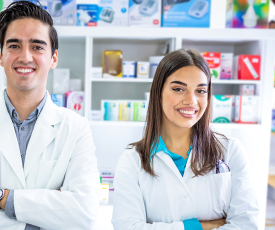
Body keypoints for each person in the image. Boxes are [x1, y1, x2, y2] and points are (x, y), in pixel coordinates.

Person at [0, 1, 100, 229]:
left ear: (53, 58)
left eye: (37, 46)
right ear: (1, 56)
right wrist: (40, 222)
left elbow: (86, 214)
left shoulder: (76, 128)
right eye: (14, 46)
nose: (25, 57)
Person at [111, 49, 259, 230]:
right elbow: (127, 227)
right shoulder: (133, 160)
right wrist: (196, 226)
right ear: (158, 92)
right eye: (178, 89)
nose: (191, 100)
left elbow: (247, 225)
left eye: (201, 90)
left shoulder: (231, 150)